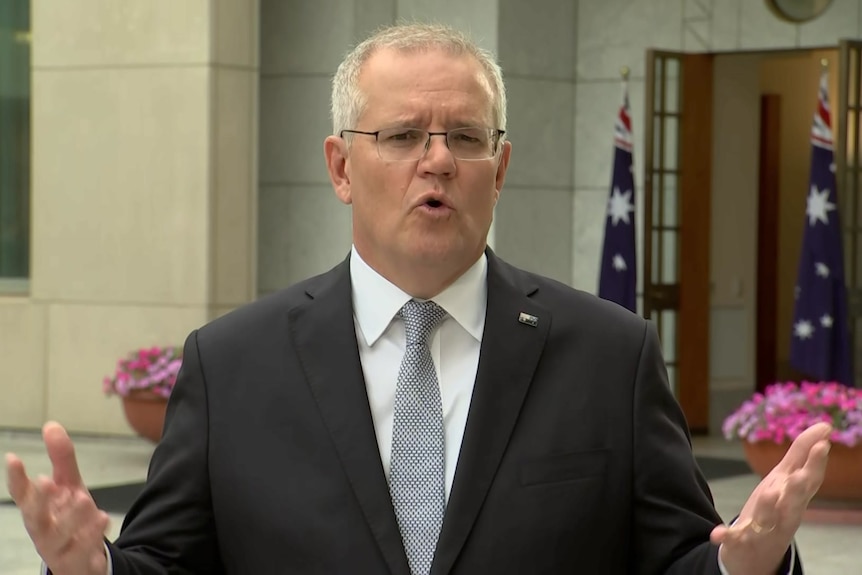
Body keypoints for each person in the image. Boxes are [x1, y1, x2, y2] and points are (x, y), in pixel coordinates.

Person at [6, 22, 830, 575]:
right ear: (339, 167)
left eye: (465, 137)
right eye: (402, 135)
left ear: (499, 169)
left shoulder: (610, 355)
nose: (436, 160)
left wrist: (743, 563)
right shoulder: (231, 365)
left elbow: (680, 560)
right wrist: (92, 566)